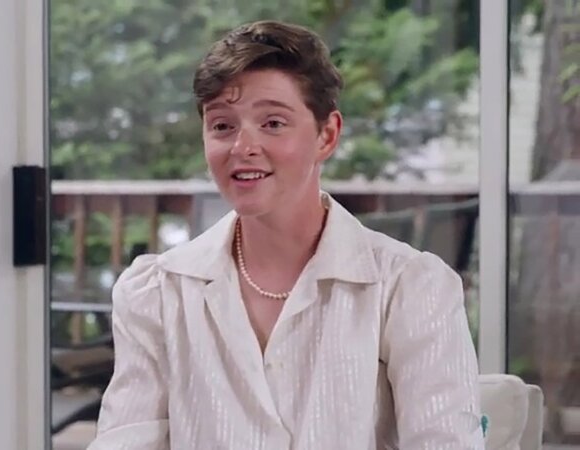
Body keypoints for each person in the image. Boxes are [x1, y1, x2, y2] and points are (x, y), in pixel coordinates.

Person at [88, 20, 484, 449]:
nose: (242, 147)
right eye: (222, 126)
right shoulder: (157, 293)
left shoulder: (409, 287)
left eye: (273, 123)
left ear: (326, 135)